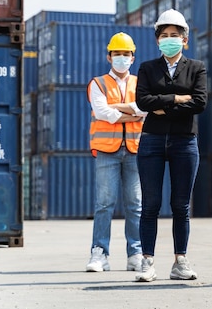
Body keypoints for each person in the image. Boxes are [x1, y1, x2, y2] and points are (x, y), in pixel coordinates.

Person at [133, 9, 207, 282]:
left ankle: (180, 261)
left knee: (180, 206)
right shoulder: (147, 68)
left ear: (185, 40)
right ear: (157, 40)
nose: (169, 40)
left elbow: (200, 102)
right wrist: (177, 98)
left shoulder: (197, 67)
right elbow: (143, 102)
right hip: (151, 141)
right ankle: (147, 262)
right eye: (164, 36)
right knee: (150, 204)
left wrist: (162, 104)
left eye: (175, 35)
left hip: (185, 141)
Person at [86, 32, 146, 272]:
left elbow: (146, 109)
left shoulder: (141, 83)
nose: (121, 58)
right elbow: (103, 113)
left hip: (134, 149)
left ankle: (136, 254)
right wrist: (133, 112)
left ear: (133, 57)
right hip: (106, 151)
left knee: (136, 204)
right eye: (117, 53)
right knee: (104, 203)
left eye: (126, 54)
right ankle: (99, 253)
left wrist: (124, 110)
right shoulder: (97, 83)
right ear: (109, 57)